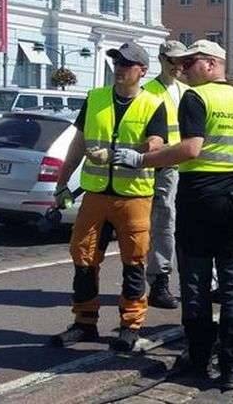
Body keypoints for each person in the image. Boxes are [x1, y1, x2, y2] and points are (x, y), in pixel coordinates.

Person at [111, 39, 233, 389]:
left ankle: (198, 358)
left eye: (190, 62)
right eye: (179, 63)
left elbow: (192, 149)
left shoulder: (196, 98)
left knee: (195, 282)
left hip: (201, 199)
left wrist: (143, 160)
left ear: (211, 64)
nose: (182, 68)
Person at [51, 42, 168, 351]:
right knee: (83, 257)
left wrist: (123, 153)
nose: (119, 69)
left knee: (134, 262)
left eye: (127, 65)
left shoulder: (153, 103)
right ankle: (84, 322)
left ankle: (130, 326)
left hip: (134, 197)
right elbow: (77, 145)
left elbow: (157, 146)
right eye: (117, 63)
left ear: (142, 71)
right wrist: (61, 184)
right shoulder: (96, 99)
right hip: (95, 195)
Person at [143, 41, 189, 309]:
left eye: (182, 61)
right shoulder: (148, 92)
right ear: (161, 59)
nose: (178, 66)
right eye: (173, 61)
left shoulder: (186, 90)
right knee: (164, 221)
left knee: (190, 223)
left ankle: (206, 280)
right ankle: (159, 280)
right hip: (163, 166)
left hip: (187, 164)